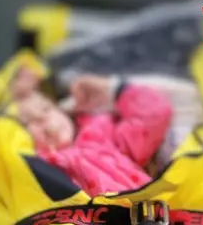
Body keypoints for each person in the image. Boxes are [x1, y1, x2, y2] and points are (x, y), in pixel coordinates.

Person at [10, 68, 172, 197]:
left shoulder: (104, 135)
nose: (44, 121)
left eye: (46, 109)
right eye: (28, 123)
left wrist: (113, 89)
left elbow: (155, 114)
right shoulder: (40, 169)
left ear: (62, 110)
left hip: (151, 222)